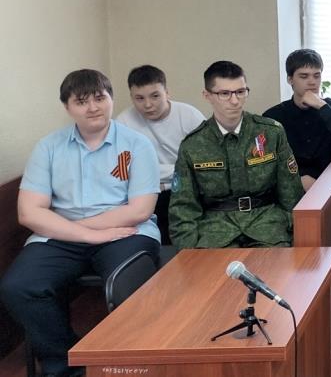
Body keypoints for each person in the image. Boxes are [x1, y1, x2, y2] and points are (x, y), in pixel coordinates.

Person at [0, 70, 160, 377]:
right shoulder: (48, 147)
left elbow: (139, 210)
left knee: (128, 284)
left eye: (100, 98)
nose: (93, 107)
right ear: (67, 107)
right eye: (82, 101)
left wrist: (84, 230)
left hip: (125, 232)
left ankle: (129, 367)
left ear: (112, 99)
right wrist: (85, 234)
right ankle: (66, 365)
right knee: (19, 287)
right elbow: (29, 213)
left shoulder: (137, 145)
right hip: (62, 236)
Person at [169, 61, 305, 248]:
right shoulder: (192, 145)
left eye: (240, 92)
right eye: (225, 94)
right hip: (215, 232)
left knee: (274, 265)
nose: (234, 101)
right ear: (207, 95)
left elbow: (291, 193)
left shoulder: (271, 133)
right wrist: (190, 253)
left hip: (267, 227)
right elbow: (183, 207)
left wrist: (293, 234)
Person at [116, 64, 205, 243]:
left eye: (155, 96)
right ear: (132, 98)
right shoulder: (123, 123)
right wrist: (179, 170)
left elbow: (205, 164)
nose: (148, 104)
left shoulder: (190, 116)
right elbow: (124, 171)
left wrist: (153, 173)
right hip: (147, 194)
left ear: (167, 93)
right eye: (139, 98)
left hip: (189, 190)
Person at [263, 49, 331, 190]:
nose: (312, 82)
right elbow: (267, 162)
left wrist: (322, 106)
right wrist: (298, 178)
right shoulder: (273, 116)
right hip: (288, 187)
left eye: (316, 76)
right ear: (290, 79)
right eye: (304, 76)